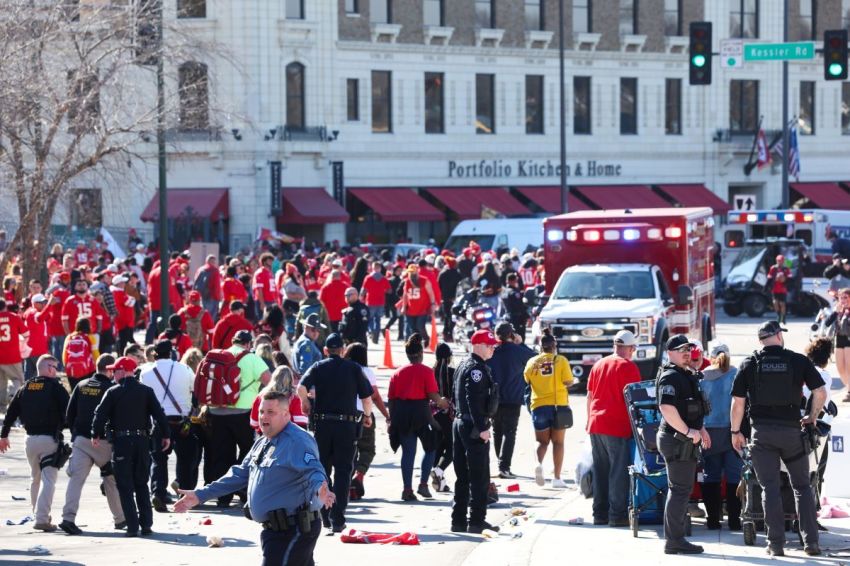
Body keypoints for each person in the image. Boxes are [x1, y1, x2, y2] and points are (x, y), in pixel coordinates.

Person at [174, 389, 334, 566]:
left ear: (286, 414)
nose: (264, 417)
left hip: (294, 530)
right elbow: (239, 474)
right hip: (274, 531)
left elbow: (314, 470)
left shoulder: (297, 441)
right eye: (261, 411)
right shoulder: (263, 441)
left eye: (270, 412)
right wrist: (200, 495)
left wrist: (321, 487)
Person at [731, 321, 826, 557]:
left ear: (761, 339)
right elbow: (821, 392)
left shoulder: (749, 363)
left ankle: (776, 545)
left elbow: (738, 403)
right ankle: (811, 543)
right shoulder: (797, 360)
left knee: (769, 488)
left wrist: (735, 432)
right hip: (792, 433)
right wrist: (811, 417)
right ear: (778, 336)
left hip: (762, 434)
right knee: (803, 487)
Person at [298, 333, 373, 533]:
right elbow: (367, 398)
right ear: (342, 350)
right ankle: (338, 516)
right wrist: (367, 416)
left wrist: (305, 402)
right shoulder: (354, 368)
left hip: (322, 426)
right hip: (346, 427)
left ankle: (325, 511)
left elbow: (301, 387)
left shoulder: (318, 367)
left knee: (322, 470)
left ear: (325, 350)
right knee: (343, 471)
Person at [91, 356, 170, 537]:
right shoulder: (146, 391)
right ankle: (147, 524)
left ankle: (133, 527)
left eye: (115, 371)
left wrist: (95, 433)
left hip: (121, 443)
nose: (112, 374)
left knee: (125, 487)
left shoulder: (113, 392)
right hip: (142, 442)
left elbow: (100, 415)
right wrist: (166, 435)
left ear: (123, 371)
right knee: (142, 483)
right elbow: (159, 414)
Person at [0, 354, 70, 532]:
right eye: (54, 367)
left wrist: (4, 435)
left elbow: (11, 412)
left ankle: (37, 513)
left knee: (35, 479)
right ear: (47, 368)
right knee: (48, 480)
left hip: (29, 440)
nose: (56, 370)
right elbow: (70, 411)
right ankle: (41, 518)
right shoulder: (56, 388)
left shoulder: (26, 387)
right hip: (49, 440)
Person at [655, 334, 710, 555]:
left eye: (688, 348)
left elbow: (692, 408)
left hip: (685, 438)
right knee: (679, 491)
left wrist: (700, 428)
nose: (686, 352)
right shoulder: (670, 376)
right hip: (677, 440)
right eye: (680, 349)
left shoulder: (685, 375)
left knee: (680, 490)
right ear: (670, 353)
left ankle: (675, 539)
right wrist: (688, 431)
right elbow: (666, 409)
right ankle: (674, 540)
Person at [60, 354, 126, 535]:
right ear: (110, 370)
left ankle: (68, 518)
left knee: (76, 480)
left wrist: (76, 433)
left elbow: (69, 414)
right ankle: (120, 518)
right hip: (103, 442)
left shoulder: (81, 385)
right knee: (110, 478)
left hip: (81, 440)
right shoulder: (112, 388)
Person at [585, 329, 642, 527]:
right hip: (616, 425)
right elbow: (635, 400)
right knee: (618, 471)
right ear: (631, 348)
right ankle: (617, 515)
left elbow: (590, 396)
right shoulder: (629, 367)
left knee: (600, 470)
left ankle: (599, 514)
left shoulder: (599, 364)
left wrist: (588, 420)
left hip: (595, 424)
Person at [208, 330, 271, 507]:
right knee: (247, 452)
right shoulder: (252, 359)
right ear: (248, 344)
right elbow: (269, 382)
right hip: (243, 412)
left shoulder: (220, 356)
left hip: (217, 411)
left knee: (221, 453)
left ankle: (223, 496)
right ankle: (243, 489)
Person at [387, 334, 448, 501]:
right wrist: (443, 402)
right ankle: (423, 485)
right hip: (421, 412)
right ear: (421, 353)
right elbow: (432, 395)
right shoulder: (426, 371)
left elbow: (391, 400)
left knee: (408, 452)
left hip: (401, 413)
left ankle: (407, 489)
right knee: (430, 447)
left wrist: (391, 420)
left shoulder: (397, 373)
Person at [140, 340, 198, 512]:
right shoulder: (185, 369)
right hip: (182, 420)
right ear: (171, 353)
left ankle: (158, 493)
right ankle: (184, 494)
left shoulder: (146, 372)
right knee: (186, 459)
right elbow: (193, 391)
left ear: (154, 354)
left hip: (159, 420)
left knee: (158, 459)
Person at [451, 329, 500, 534]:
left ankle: (459, 520)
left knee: (462, 476)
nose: (492, 349)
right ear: (478, 345)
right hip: (472, 426)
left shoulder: (463, 364)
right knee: (479, 476)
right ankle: (477, 520)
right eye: (489, 345)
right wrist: (482, 428)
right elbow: (473, 400)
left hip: (460, 422)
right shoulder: (476, 370)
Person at [699, 341, 742, 531]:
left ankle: (712, 520)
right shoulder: (736, 374)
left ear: (711, 356)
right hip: (732, 430)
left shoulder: (702, 376)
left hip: (708, 432)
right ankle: (734, 520)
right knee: (734, 476)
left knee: (711, 476)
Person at [523, 328, 574, 488]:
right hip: (558, 406)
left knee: (541, 442)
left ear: (541, 345)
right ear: (554, 346)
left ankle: (538, 464)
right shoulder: (561, 360)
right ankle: (557, 479)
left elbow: (527, 380)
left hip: (538, 406)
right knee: (558, 443)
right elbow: (568, 381)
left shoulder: (532, 362)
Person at [487, 321, 534, 479]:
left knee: (497, 431)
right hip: (513, 397)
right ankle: (504, 467)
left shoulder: (492, 350)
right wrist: (521, 344)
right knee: (509, 432)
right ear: (511, 334)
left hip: (494, 398)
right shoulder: (517, 350)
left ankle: (501, 465)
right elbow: (536, 358)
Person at [344, 342, 389, 500]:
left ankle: (349, 485)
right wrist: (386, 414)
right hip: (364, 414)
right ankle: (360, 475)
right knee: (367, 449)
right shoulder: (367, 372)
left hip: (346, 415)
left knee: (350, 451)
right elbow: (375, 396)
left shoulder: (345, 370)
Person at [430, 342, 455, 493]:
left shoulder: (430, 371)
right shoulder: (452, 372)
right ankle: (439, 471)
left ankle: (440, 481)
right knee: (452, 448)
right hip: (449, 415)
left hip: (432, 415)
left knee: (438, 447)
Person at [0, 298, 29, 409]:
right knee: (16, 379)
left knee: (1, 382)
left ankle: (2, 407)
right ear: (5, 306)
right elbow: (26, 334)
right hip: (12, 355)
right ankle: (12, 400)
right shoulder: (13, 317)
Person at [822, 288, 850, 402]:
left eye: (845, 297)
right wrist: (835, 312)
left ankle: (849, 391)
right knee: (840, 368)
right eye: (841, 297)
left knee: (849, 367)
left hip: (849, 340)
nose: (843, 300)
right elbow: (828, 323)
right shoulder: (838, 309)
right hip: (839, 339)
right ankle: (848, 387)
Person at [401, 265, 436, 341]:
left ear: (417, 272)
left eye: (413, 272)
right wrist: (403, 306)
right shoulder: (407, 281)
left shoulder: (424, 280)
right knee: (413, 328)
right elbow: (405, 295)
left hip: (422, 309)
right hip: (410, 309)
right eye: (410, 272)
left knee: (420, 327)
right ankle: (417, 344)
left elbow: (431, 293)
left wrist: (433, 304)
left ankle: (426, 339)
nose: (411, 274)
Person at [63, 317, 98, 391]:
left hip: (71, 371)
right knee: (86, 392)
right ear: (88, 326)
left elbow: (64, 356)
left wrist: (66, 367)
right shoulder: (90, 337)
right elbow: (96, 355)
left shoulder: (69, 337)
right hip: (87, 371)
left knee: (74, 392)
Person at [361, 261, 390, 344]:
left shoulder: (368, 278)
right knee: (378, 320)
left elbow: (364, 290)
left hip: (370, 301)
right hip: (380, 301)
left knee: (369, 319)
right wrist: (382, 290)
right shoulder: (384, 278)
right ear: (380, 268)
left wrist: (361, 297)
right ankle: (376, 335)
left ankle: (371, 331)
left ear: (373, 268)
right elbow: (389, 290)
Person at [23, 293, 50, 380]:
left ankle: (27, 392)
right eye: (42, 302)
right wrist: (50, 305)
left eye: (45, 302)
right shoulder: (34, 312)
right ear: (35, 303)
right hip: (37, 350)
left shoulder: (29, 311)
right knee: (41, 377)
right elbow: (40, 318)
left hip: (30, 349)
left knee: (29, 377)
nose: (44, 304)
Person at [438, 257, 462, 342]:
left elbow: (439, 286)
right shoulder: (457, 274)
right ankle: (450, 334)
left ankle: (445, 333)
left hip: (445, 299)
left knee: (447, 316)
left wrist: (442, 296)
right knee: (453, 317)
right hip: (454, 299)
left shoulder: (442, 273)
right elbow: (460, 286)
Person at [194, 254, 222, 322]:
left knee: (203, 316)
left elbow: (195, 282)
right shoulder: (215, 270)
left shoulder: (200, 269)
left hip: (202, 296)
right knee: (211, 318)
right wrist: (218, 298)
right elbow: (216, 286)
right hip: (212, 297)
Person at [767, 255, 792, 325]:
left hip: (783, 289)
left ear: (783, 261)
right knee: (775, 302)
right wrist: (767, 287)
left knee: (782, 304)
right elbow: (769, 278)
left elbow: (790, 279)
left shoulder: (786, 269)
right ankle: (778, 315)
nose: (779, 262)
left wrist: (784, 280)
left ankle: (783, 317)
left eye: (781, 261)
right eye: (778, 261)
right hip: (775, 289)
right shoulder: (773, 268)